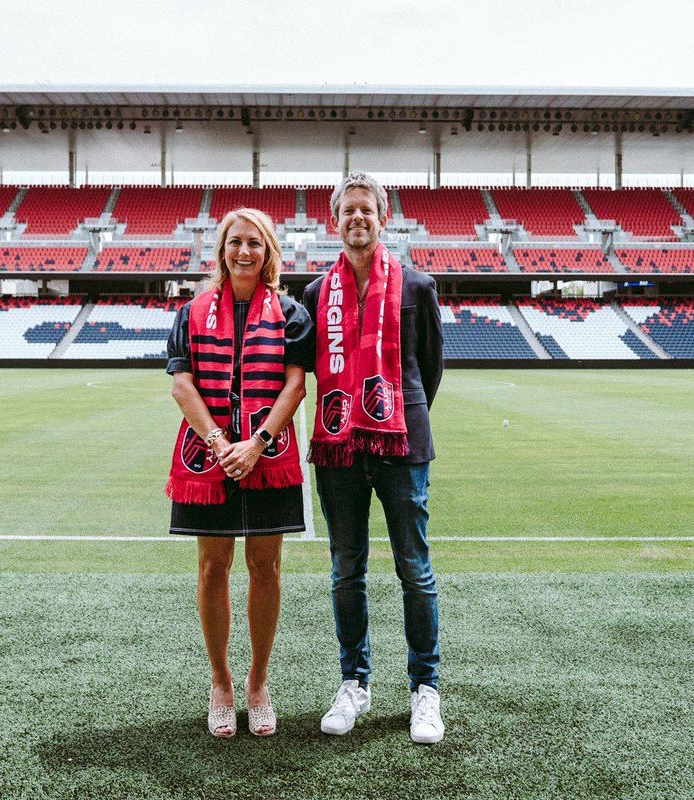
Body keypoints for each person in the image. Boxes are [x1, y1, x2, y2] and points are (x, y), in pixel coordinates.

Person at [302, 171, 445, 744]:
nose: (357, 218)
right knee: (346, 569)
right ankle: (354, 682)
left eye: (367, 209)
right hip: (339, 448)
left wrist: (395, 419)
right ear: (334, 221)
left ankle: (424, 689)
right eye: (347, 210)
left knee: (415, 569)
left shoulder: (417, 286)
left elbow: (428, 370)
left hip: (401, 445)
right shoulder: (315, 294)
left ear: (383, 217)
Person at [165, 207, 313, 738]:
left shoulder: (291, 313)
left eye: (254, 242)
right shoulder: (192, 311)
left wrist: (256, 444)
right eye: (235, 242)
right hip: (208, 454)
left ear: (268, 250)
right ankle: (221, 681)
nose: (244, 251)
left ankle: (258, 681)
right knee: (212, 567)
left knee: (266, 567)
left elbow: (295, 386)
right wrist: (221, 442)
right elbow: (182, 385)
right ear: (222, 250)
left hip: (267, 454)